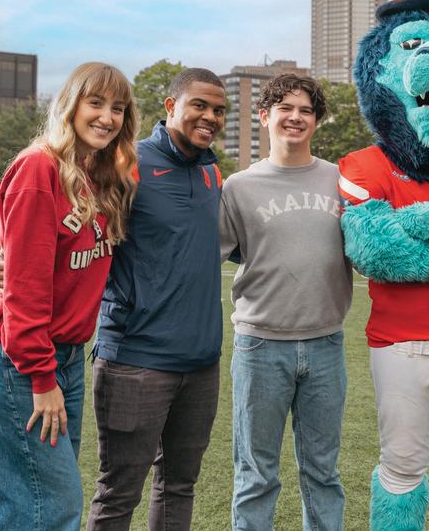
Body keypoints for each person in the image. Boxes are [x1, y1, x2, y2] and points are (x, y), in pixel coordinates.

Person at [0, 62, 138, 531]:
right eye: (96, 103)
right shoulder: (38, 167)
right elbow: (24, 289)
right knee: (51, 508)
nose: (107, 117)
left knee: (34, 505)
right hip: (21, 363)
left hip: (66, 358)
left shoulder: (102, 174)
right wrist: (42, 379)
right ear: (71, 105)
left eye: (118, 108)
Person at [86, 67, 229, 531]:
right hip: (136, 361)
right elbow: (72, 225)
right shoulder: (126, 162)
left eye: (219, 110)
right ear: (171, 107)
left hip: (201, 363)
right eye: (199, 106)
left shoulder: (212, 171)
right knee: (118, 493)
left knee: (179, 486)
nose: (210, 117)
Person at [219, 73, 353, 531]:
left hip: (326, 344)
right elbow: (206, 255)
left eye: (306, 110)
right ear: (264, 116)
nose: (295, 117)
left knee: (323, 472)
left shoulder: (341, 179)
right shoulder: (238, 186)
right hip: (260, 347)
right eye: (285, 109)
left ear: (316, 120)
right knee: (256, 473)